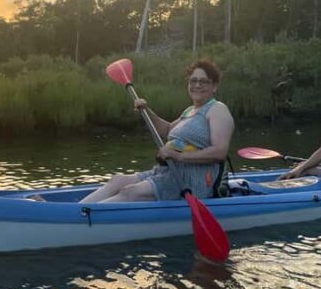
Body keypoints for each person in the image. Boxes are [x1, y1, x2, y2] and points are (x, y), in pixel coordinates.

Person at [81, 60, 235, 203]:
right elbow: (167, 130)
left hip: (192, 181)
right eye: (193, 80)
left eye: (204, 81)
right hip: (168, 172)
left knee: (130, 192)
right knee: (118, 180)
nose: (197, 85)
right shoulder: (190, 111)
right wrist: (146, 110)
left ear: (214, 86)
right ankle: (78, 212)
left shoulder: (217, 109)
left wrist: (179, 156)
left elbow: (219, 152)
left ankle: (85, 221)